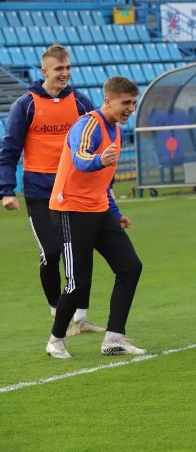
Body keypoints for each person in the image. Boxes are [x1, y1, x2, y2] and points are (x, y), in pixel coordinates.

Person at [0, 44, 102, 334]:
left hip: (75, 191)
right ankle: (58, 314)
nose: (64, 74)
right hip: (40, 193)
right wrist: (7, 190)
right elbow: (9, 150)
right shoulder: (26, 105)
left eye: (68, 68)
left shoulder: (81, 103)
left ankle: (80, 319)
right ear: (44, 71)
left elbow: (97, 142)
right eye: (59, 69)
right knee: (52, 253)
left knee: (80, 252)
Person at [45, 76, 145, 359]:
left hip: (99, 209)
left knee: (130, 266)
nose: (130, 108)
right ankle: (55, 340)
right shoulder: (88, 124)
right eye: (126, 103)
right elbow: (80, 157)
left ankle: (113, 338)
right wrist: (99, 159)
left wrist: (116, 213)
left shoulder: (117, 130)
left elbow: (104, 182)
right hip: (70, 211)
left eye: (133, 103)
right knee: (78, 283)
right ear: (108, 100)